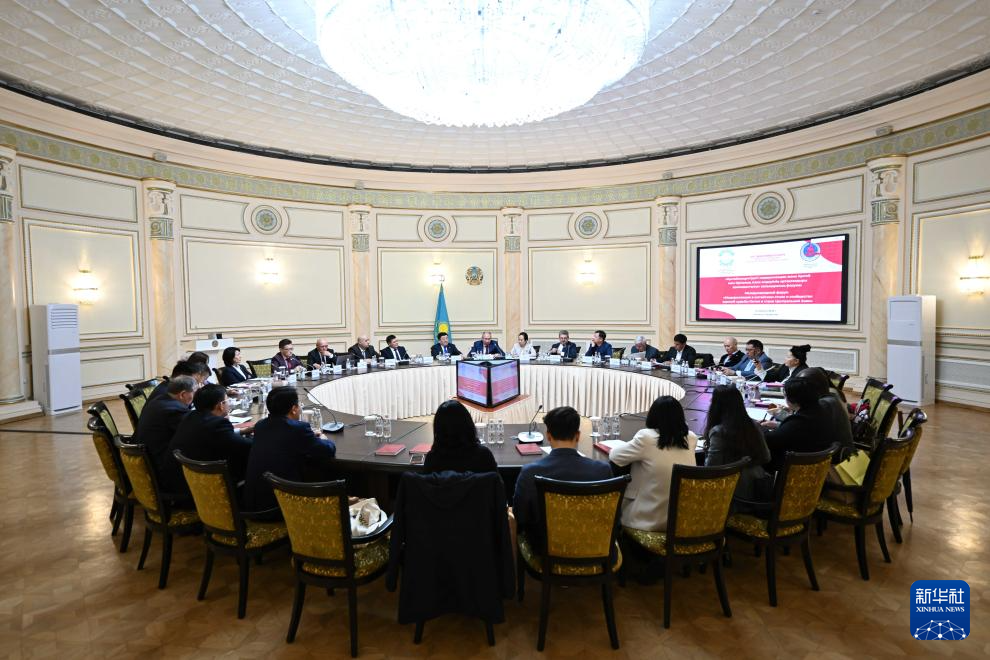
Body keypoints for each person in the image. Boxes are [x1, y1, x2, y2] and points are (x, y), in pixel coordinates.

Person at [513, 406, 613, 551]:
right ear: (578, 436)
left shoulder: (530, 473)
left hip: (546, 550)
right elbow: (612, 517)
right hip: (595, 547)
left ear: (548, 436)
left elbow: (520, 516)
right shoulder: (603, 470)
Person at [609, 396, 697, 531]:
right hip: (679, 522)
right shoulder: (691, 438)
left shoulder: (646, 438)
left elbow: (615, 456)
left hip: (645, 521)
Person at [243, 387, 337, 512]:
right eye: (299, 405)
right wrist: (324, 439)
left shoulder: (260, 426)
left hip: (253, 505)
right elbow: (328, 450)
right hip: (282, 508)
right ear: (293, 409)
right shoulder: (298, 429)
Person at [169, 384, 254, 483]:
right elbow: (247, 446)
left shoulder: (191, 415)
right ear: (220, 405)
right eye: (228, 400)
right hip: (206, 482)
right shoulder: (217, 424)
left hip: (181, 476)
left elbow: (220, 436)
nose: (229, 403)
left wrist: (242, 431)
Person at [703, 386, 772, 504]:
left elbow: (711, 468)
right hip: (757, 490)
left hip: (732, 494)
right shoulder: (753, 424)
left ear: (716, 406)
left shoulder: (719, 432)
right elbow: (766, 457)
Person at [135, 375, 195, 494]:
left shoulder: (160, 399)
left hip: (147, 462)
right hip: (163, 473)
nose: (196, 396)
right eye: (195, 392)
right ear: (183, 394)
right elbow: (194, 433)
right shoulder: (175, 411)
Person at [761, 377, 835, 472]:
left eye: (785, 396)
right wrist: (778, 425)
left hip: (794, 470)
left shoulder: (799, 421)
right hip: (815, 466)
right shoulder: (821, 410)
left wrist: (758, 427)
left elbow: (769, 440)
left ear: (793, 400)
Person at [423, 401, 498, 473]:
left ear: (438, 429)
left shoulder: (432, 459)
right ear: (468, 424)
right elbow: (496, 480)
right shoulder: (484, 455)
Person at [146, 360, 210, 402]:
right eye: (193, 381)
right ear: (181, 377)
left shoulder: (169, 386)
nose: (195, 386)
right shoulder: (168, 393)